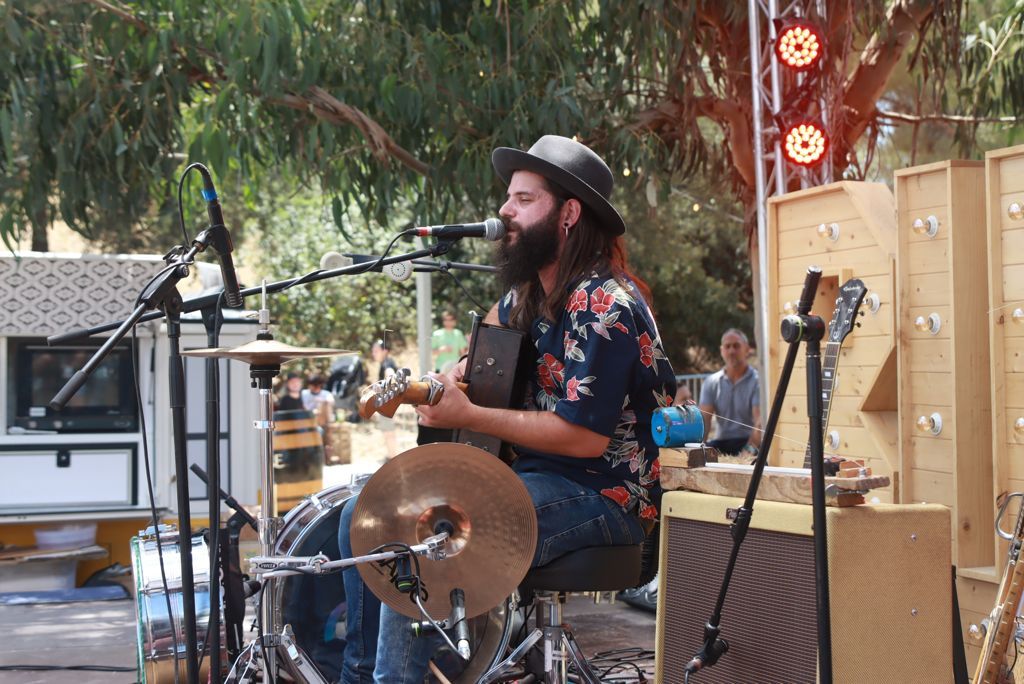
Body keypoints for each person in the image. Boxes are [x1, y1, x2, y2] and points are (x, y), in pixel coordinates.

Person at [336, 134, 676, 683]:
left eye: (523, 199)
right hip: (534, 479)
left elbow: (583, 437)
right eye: (508, 198)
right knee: (362, 516)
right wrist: (446, 384)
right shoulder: (525, 297)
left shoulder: (605, 305)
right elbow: (481, 361)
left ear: (567, 213)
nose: (503, 210)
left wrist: (467, 417)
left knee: (414, 539)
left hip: (606, 497)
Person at [698, 328, 762, 456]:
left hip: (748, 443)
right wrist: (698, 451)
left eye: (736, 346)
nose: (732, 351)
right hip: (720, 444)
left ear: (747, 349)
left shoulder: (758, 381)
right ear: (721, 351)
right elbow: (704, 422)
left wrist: (747, 452)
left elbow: (760, 424)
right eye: (727, 346)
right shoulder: (711, 382)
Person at [371, 339, 400, 460]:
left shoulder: (387, 363)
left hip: (387, 403)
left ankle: (393, 457)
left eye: (376, 351)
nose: (374, 354)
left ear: (385, 351)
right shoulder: (386, 362)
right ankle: (391, 455)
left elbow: (391, 375)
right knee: (387, 431)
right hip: (387, 403)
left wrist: (379, 388)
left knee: (388, 432)